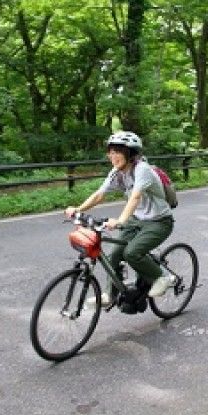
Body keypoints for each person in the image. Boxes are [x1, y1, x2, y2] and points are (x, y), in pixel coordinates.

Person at [65, 131, 175, 307]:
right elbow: (100, 195)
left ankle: (162, 277)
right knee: (114, 254)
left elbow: (135, 197)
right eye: (110, 151)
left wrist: (121, 220)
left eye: (117, 151)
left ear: (130, 153)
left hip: (159, 221)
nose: (112, 156)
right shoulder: (117, 172)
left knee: (132, 253)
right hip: (136, 219)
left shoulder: (142, 170)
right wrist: (78, 209)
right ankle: (109, 294)